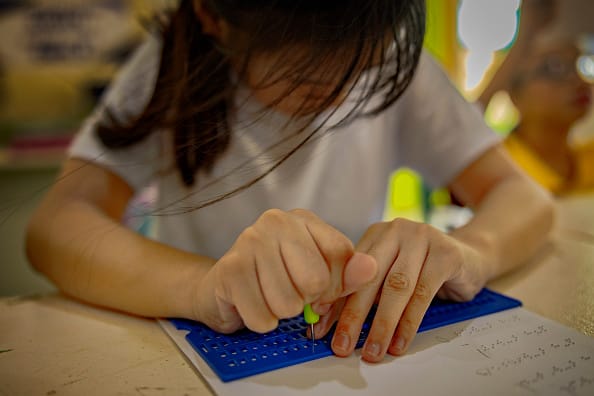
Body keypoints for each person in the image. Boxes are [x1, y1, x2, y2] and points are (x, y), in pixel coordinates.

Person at [26, 0, 553, 364]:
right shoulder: (170, 64)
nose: (345, 96)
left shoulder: (396, 59)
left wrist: (472, 253)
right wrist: (204, 287)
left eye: (363, 71)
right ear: (213, 15)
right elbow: (57, 225)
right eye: (311, 84)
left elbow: (523, 196)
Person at [479, 0, 594, 194]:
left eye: (580, 65)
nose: (579, 81)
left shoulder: (587, 157)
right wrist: (525, 32)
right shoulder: (499, 165)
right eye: (554, 68)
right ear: (514, 95)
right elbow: (455, 136)